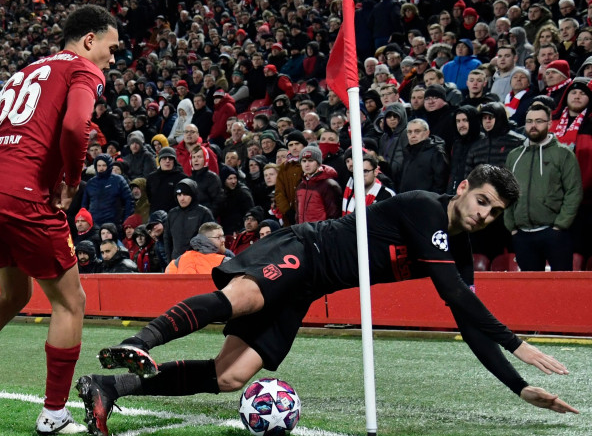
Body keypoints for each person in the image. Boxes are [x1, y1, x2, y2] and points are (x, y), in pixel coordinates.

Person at [78, 165, 579, 436]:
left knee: (229, 376)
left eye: (496, 213)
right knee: (242, 298)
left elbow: (467, 321)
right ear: (464, 189)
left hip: (309, 289)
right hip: (304, 249)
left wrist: (517, 386)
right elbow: (454, 297)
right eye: (482, 202)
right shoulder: (426, 207)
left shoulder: (457, 253)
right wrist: (518, 344)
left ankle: (109, 386)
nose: (485, 215)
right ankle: (137, 342)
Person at [0, 5, 118, 434]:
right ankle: (54, 415)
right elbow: (75, 127)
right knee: (71, 302)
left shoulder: (26, 70)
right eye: (111, 46)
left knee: (12, 295)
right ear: (90, 40)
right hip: (22, 194)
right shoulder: (84, 69)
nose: (112, 57)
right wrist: (70, 179)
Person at [505, 103, 582, 271]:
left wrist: (560, 225)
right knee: (531, 292)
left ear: (549, 124)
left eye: (539, 121)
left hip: (554, 233)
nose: (533, 125)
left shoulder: (563, 154)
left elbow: (574, 192)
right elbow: (507, 192)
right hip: (522, 234)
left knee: (561, 289)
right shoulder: (514, 156)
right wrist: (512, 226)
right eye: (529, 121)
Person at [164, 179, 215, 260]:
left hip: (197, 262)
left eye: (185, 194)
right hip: (176, 263)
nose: (182, 198)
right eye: (179, 195)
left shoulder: (203, 213)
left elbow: (211, 240)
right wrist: (170, 261)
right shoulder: (172, 214)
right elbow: (167, 240)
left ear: (193, 195)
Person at [295, 145, 342, 223]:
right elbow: (297, 214)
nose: (307, 164)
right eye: (304, 161)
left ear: (318, 163)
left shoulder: (329, 185)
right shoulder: (301, 185)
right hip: (302, 232)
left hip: (321, 233)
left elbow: (334, 216)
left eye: (310, 160)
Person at [165, 222, 230, 274]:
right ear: (206, 239)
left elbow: (169, 279)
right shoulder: (224, 261)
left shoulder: (180, 260)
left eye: (223, 236)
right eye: (218, 237)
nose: (223, 240)